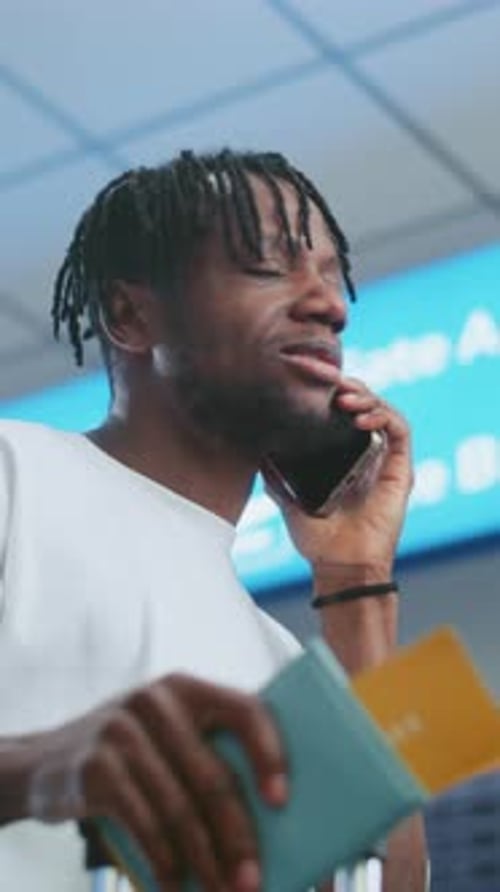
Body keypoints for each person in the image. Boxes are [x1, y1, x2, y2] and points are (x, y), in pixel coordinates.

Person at [0, 149, 427, 891]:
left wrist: (357, 581)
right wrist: (42, 769)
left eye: (331, 274)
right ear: (131, 316)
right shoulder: (15, 472)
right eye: (271, 266)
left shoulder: (280, 659)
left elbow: (387, 883)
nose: (330, 304)